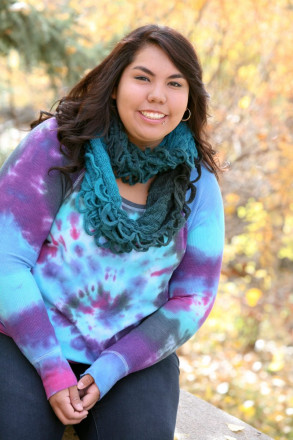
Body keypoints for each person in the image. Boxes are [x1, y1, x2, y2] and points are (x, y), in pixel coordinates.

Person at [0, 24, 224, 440]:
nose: (158, 95)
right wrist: (51, 365)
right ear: (115, 84)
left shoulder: (197, 181)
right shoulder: (57, 146)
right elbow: (6, 263)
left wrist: (113, 366)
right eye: (143, 77)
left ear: (189, 100)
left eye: (175, 84)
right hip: (26, 339)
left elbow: (195, 296)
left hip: (132, 355)